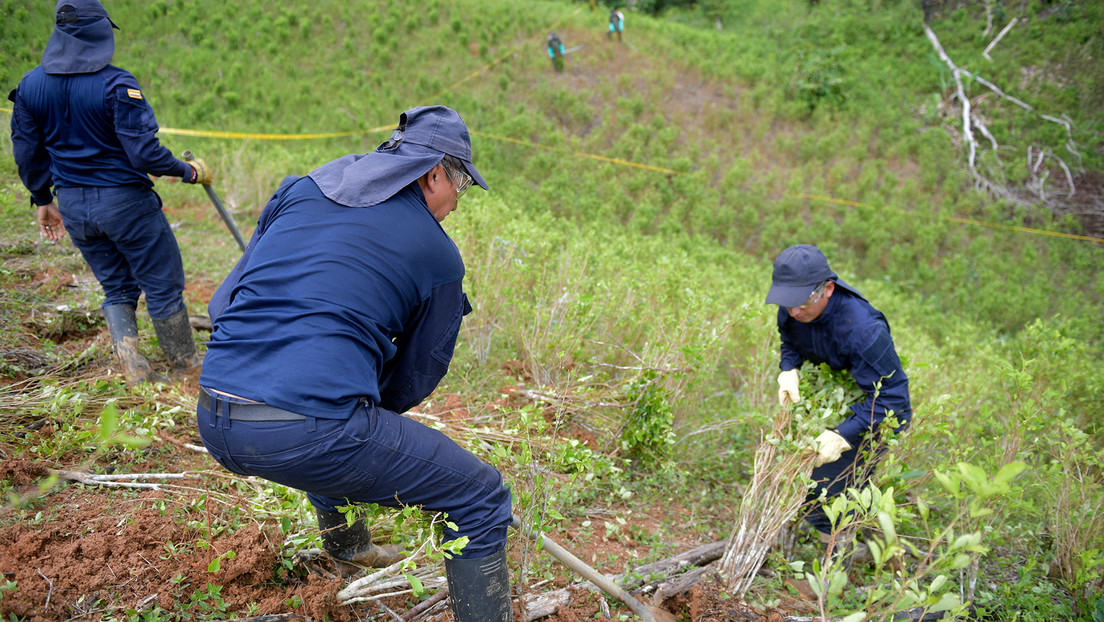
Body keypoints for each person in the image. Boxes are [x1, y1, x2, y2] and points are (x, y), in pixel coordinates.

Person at [196, 105, 513, 622]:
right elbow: (416, 376)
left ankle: (348, 550)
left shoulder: (301, 189)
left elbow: (221, 304)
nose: (458, 201)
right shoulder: (437, 254)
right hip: (302, 433)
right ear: (434, 174)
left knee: (339, 414)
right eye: (461, 185)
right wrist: (351, 407)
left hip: (213, 414)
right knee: (480, 496)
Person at [10, 0, 210, 384]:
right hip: (126, 204)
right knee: (161, 282)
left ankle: (133, 367)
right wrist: (189, 171)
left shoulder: (30, 86)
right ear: (99, 33)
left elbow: (26, 152)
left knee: (116, 286)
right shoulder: (117, 85)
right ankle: (186, 367)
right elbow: (144, 153)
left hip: (73, 206)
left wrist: (42, 199)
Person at [765, 244, 911, 556]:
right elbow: (789, 339)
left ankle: (838, 569)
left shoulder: (864, 330)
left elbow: (894, 398)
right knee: (824, 480)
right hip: (835, 398)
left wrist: (842, 435)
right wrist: (788, 368)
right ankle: (881, 548)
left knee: (823, 491)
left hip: (876, 411)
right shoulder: (793, 306)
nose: (793, 312)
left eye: (801, 303)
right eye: (786, 303)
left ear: (828, 289)